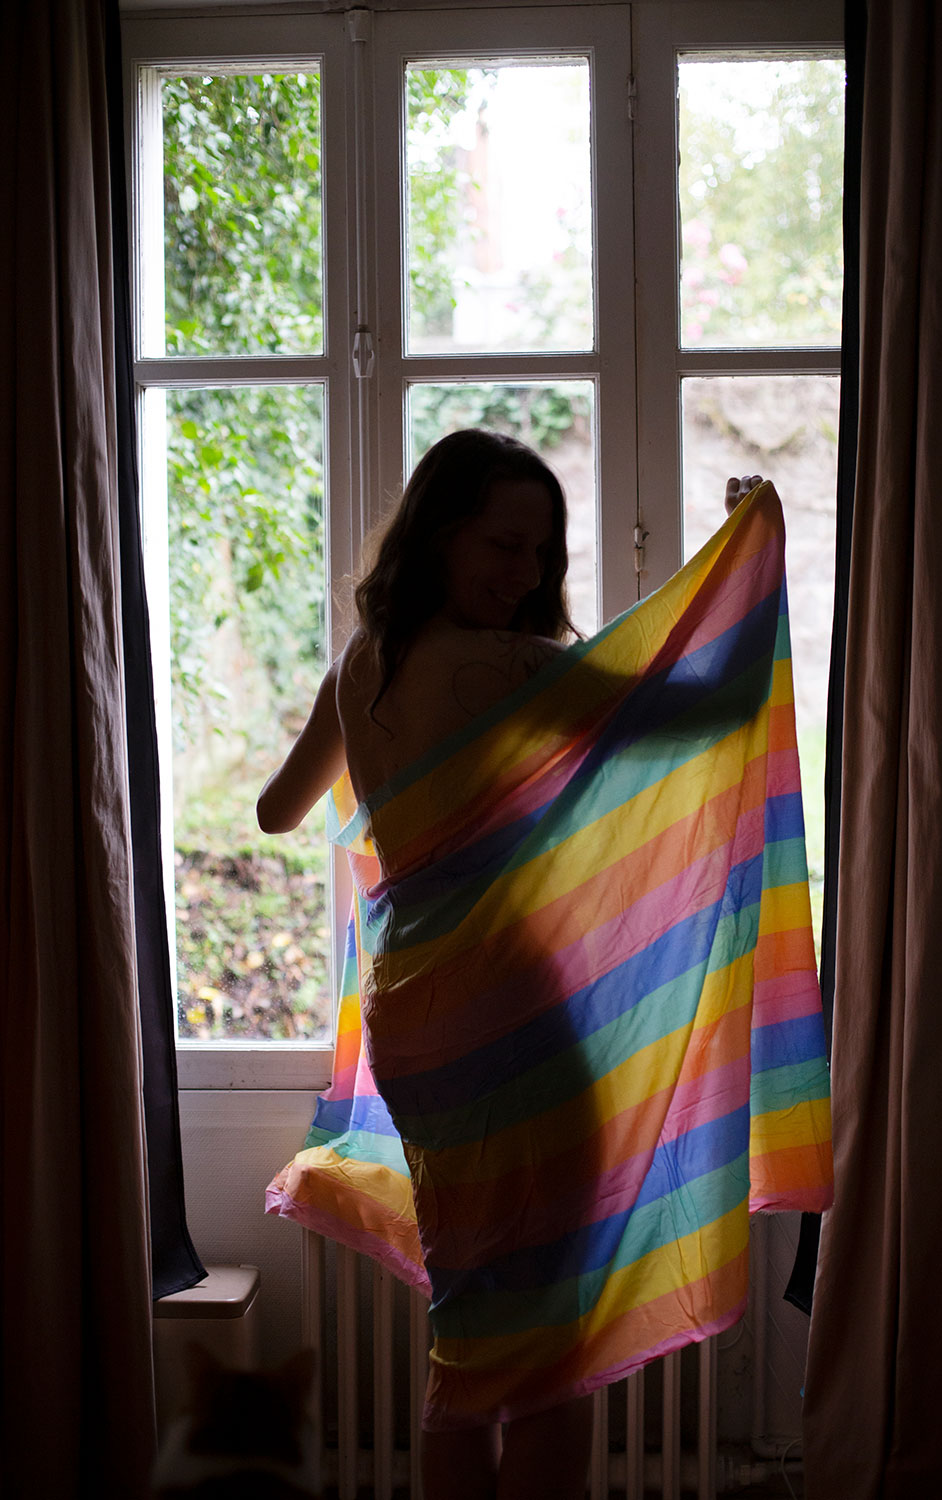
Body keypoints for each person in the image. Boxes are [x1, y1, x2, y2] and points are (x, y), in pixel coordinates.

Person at [258, 431, 763, 1500]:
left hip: (411, 1011)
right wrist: (743, 547)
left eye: (540, 553)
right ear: (439, 534)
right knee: (550, 1349)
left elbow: (275, 810)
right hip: (511, 1014)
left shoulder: (360, 664)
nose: (525, 574)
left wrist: (411, 788)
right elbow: (715, 704)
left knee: (472, 1325)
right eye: (502, 545)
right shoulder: (503, 669)